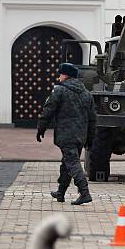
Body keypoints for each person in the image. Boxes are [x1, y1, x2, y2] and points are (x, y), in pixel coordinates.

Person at [36, 63, 96, 205]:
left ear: (65, 75)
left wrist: (41, 128)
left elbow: (48, 110)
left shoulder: (59, 90)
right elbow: (93, 118)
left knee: (72, 163)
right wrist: (90, 138)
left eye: (60, 74)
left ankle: (84, 192)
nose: (59, 76)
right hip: (81, 135)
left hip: (66, 134)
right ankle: (61, 192)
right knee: (66, 163)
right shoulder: (87, 94)